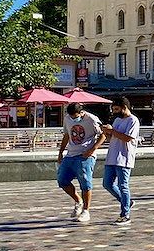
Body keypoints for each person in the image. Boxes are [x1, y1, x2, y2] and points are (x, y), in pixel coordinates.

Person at [57, 102, 106, 223]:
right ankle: (78, 200)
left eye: (75, 116)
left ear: (81, 112)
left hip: (85, 155)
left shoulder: (92, 119)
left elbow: (104, 135)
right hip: (71, 154)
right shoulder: (67, 118)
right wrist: (60, 152)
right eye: (71, 117)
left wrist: (92, 149)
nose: (73, 119)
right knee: (62, 180)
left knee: (85, 182)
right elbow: (67, 135)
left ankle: (86, 210)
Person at [100, 96, 140, 225]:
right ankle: (127, 202)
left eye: (117, 109)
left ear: (124, 108)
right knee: (107, 184)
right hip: (112, 156)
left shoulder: (133, 120)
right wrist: (107, 132)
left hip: (124, 157)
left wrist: (113, 131)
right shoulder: (117, 120)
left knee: (123, 186)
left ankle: (125, 214)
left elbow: (128, 137)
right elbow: (113, 137)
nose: (114, 112)